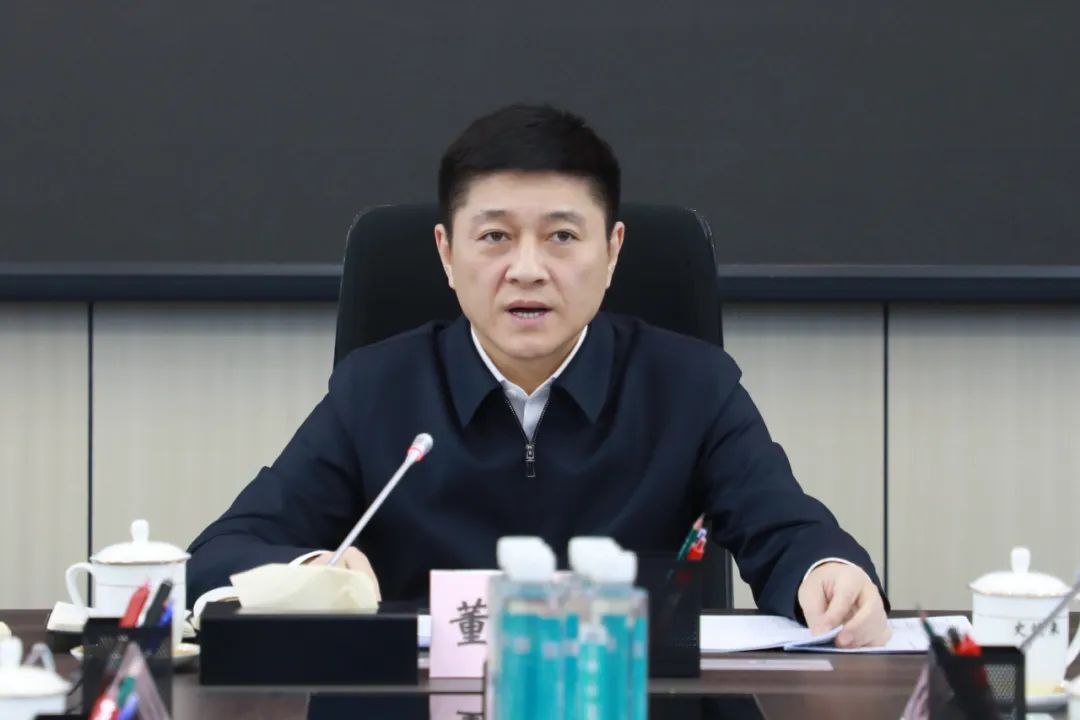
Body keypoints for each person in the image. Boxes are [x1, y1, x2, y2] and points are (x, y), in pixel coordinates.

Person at [187, 104, 890, 647]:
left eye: (561, 236)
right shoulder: (375, 390)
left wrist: (827, 572)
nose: (527, 269)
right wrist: (308, 575)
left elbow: (788, 531)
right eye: (495, 236)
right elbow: (216, 558)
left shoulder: (691, 388)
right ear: (447, 253)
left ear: (612, 252)